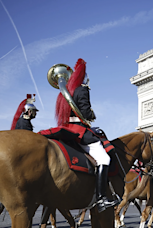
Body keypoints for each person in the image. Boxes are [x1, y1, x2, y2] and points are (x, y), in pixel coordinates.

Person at [55, 58, 119, 213]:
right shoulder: (82, 89)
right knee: (104, 159)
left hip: (66, 130)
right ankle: (101, 198)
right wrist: (91, 114)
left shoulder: (64, 93)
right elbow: (85, 112)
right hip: (79, 131)